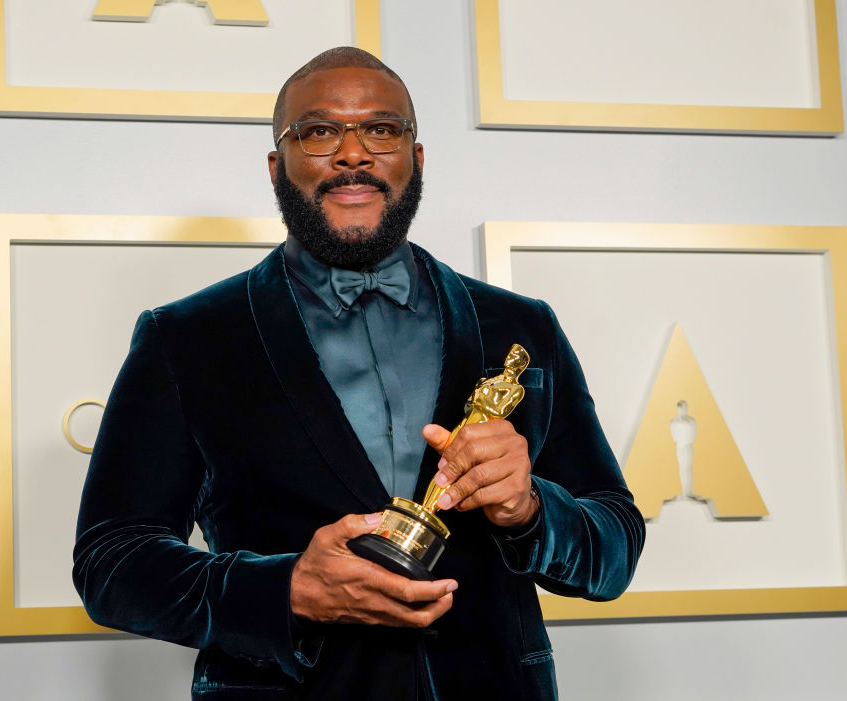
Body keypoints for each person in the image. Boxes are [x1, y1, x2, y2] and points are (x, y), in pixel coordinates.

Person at [73, 47, 645, 701]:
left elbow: (614, 546)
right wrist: (288, 589)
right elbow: (111, 563)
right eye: (319, 131)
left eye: (381, 129)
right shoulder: (186, 337)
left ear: (416, 158)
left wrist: (531, 509)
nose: (353, 153)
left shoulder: (522, 327)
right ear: (276, 165)